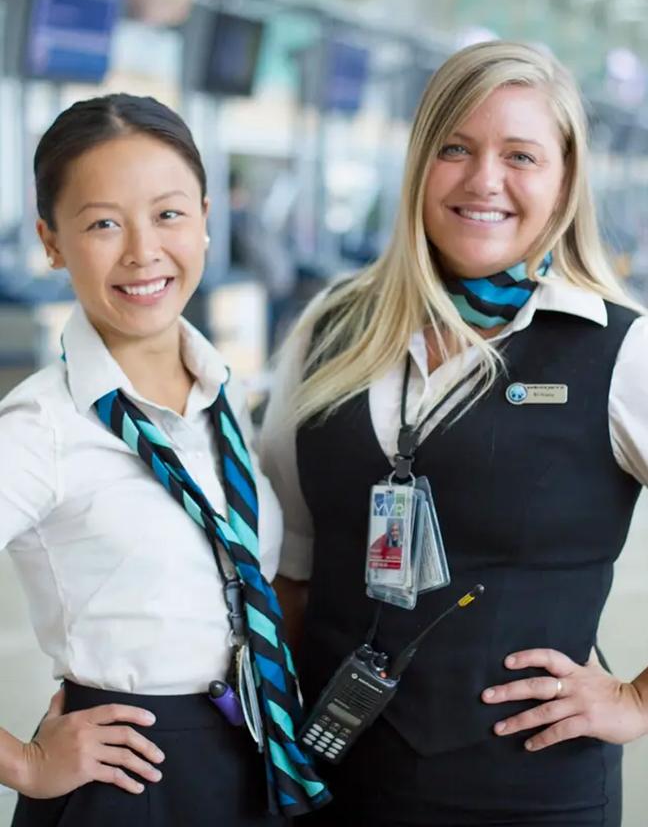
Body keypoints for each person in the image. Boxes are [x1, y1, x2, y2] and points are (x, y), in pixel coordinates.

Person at [259, 41, 648, 826]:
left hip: (526, 796)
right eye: (456, 148)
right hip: (332, 782)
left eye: (521, 156)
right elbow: (290, 567)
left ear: (567, 179)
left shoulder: (618, 349)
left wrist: (635, 701)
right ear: (418, 164)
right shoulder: (333, 326)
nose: (484, 181)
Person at [0, 94, 328, 827]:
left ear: (207, 219)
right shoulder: (41, 426)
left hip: (250, 749)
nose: (143, 250)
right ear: (52, 242)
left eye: (169, 214)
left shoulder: (219, 393)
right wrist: (23, 763)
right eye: (103, 224)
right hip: (129, 777)